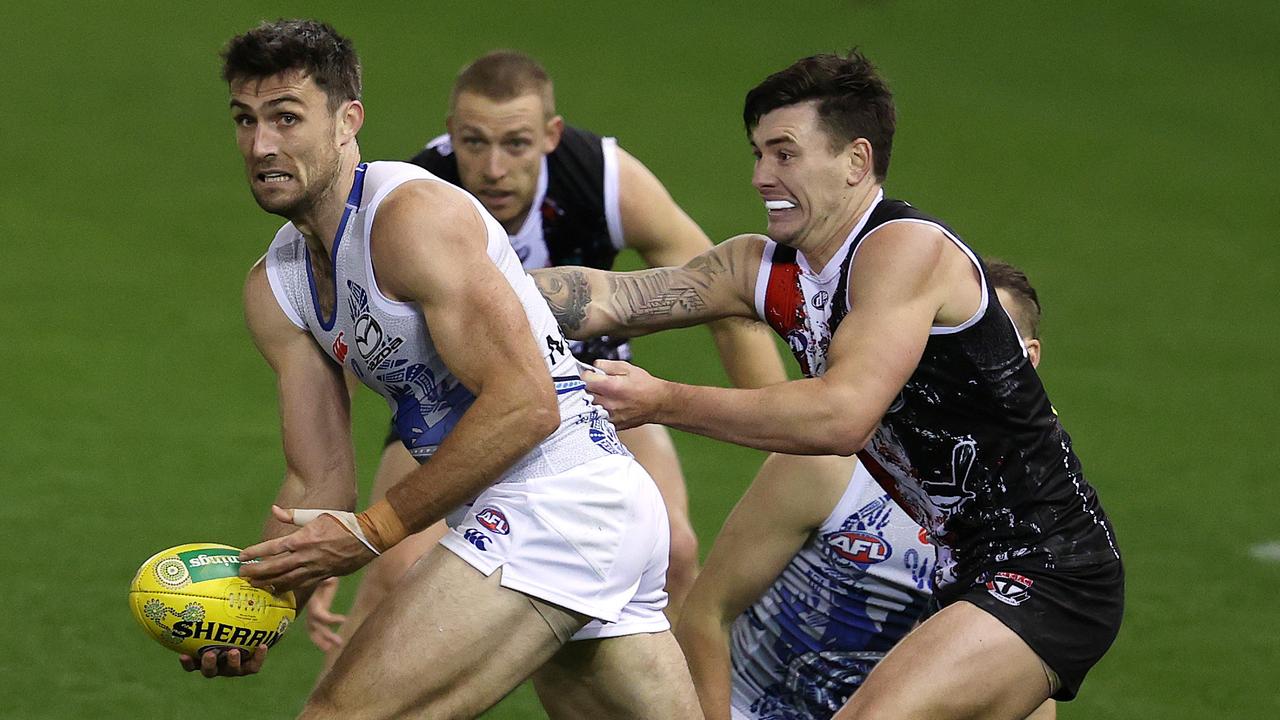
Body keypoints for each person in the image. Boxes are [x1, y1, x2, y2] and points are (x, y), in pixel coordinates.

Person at [532, 51, 1123, 720]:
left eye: (784, 154)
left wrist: (664, 400)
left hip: (1051, 568)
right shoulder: (761, 267)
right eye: (757, 154)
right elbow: (611, 298)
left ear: (855, 161)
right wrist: (475, 280)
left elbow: (843, 417)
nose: (760, 176)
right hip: (967, 572)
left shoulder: (905, 250)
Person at [187, 19, 701, 719]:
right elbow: (320, 481)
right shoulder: (275, 287)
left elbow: (526, 404)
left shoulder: (410, 218)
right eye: (245, 120)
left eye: (286, 118)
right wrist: (259, 611)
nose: (262, 145)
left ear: (347, 122)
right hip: (556, 517)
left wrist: (376, 529)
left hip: (562, 503)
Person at [304, 50, 786, 660]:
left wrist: (782, 449)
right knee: (393, 569)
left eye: (517, 144)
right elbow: (342, 342)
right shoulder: (406, 200)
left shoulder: (605, 179)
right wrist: (333, 517)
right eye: (473, 143)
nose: (494, 168)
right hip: (448, 392)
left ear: (551, 137)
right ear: (450, 136)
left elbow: (726, 298)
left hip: (589, 381)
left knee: (677, 552)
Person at [675, 261, 1057, 720]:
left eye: (985, 342)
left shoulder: (1038, 506)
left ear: (1027, 360)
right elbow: (706, 617)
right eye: (943, 336)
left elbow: (1026, 672)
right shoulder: (834, 459)